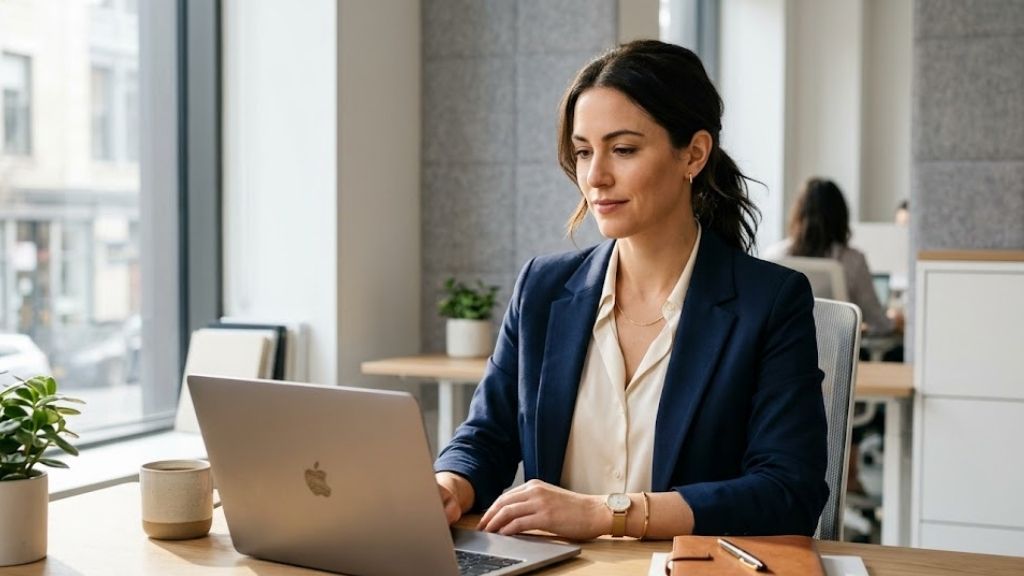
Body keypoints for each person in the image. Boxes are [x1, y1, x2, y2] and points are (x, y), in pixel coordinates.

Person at [434, 40, 828, 541]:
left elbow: (788, 492)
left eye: (623, 150)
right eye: (583, 152)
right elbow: (487, 437)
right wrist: (449, 485)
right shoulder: (541, 288)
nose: (595, 176)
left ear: (694, 154)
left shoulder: (769, 302)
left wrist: (607, 513)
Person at [763, 178, 901, 336]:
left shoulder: (774, 256)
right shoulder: (853, 260)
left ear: (797, 214)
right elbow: (878, 322)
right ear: (841, 216)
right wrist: (894, 320)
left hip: (784, 348)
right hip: (836, 350)